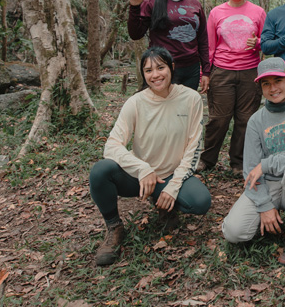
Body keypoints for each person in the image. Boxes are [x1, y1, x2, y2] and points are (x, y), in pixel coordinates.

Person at [89, 47, 211, 266]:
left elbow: (193, 148)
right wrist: (142, 168)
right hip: (140, 178)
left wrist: (174, 186)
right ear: (143, 74)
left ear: (172, 68)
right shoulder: (135, 102)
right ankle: (114, 228)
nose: (155, 75)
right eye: (148, 70)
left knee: (200, 202)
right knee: (100, 171)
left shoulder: (191, 98)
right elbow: (112, 145)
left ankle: (166, 205)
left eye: (160, 67)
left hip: (172, 175)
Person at [222, 57, 285, 266]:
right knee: (234, 232)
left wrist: (266, 164)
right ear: (260, 87)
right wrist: (264, 205)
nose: (272, 88)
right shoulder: (256, 120)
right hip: (269, 186)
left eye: (277, 81)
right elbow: (250, 170)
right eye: (266, 83)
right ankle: (271, 220)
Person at [199, 0, 266, 174]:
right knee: (218, 119)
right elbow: (209, 45)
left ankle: (238, 163)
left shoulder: (258, 12)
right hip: (221, 71)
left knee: (245, 119)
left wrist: (259, 43)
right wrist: (206, 72)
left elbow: (267, 40)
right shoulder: (216, 13)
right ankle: (207, 160)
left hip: (249, 72)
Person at [127, 0, 210, 92]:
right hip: (162, 70)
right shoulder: (151, 1)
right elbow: (135, 34)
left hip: (191, 70)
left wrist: (206, 71)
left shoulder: (194, 3)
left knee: (185, 112)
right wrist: (135, 8)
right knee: (162, 110)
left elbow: (203, 39)